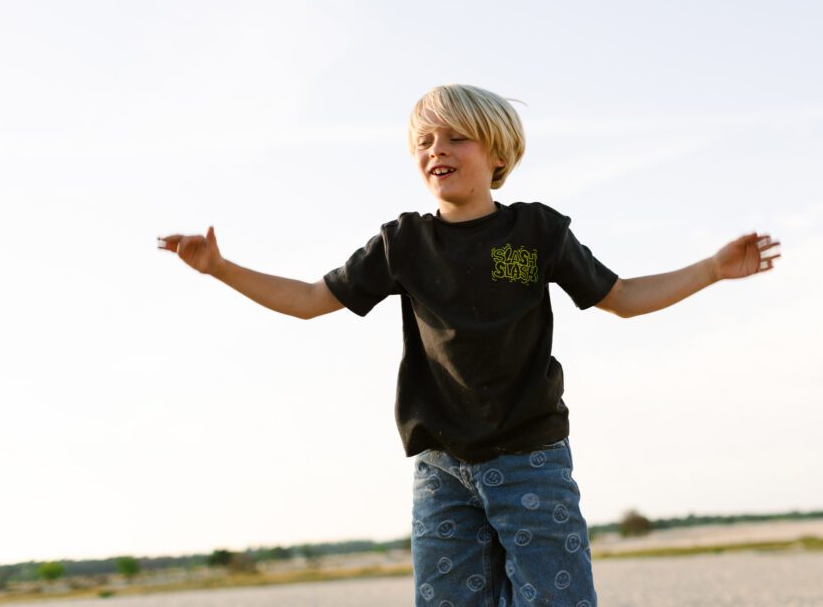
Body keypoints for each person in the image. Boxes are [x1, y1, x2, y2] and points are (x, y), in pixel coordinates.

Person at [158, 84, 781, 606]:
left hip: (530, 456)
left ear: (497, 152)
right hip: (440, 467)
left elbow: (621, 298)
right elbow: (308, 300)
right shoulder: (402, 243)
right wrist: (220, 267)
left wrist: (710, 269)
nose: (438, 150)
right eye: (425, 141)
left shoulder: (534, 232)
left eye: (456, 137)